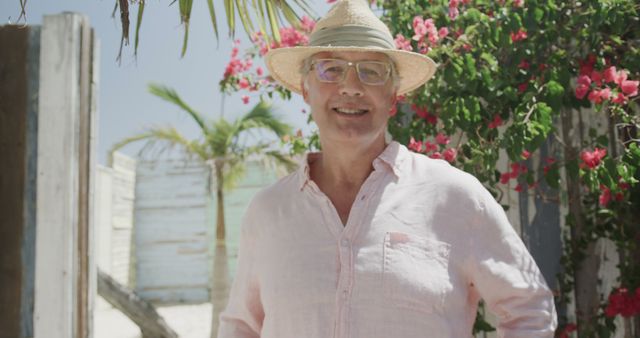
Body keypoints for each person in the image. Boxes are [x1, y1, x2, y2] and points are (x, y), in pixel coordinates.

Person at [217, 0, 557, 337]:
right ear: (306, 88)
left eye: (372, 71)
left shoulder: (453, 196)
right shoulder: (268, 211)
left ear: (394, 96)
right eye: (331, 69)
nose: (351, 86)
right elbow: (242, 326)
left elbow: (529, 307)